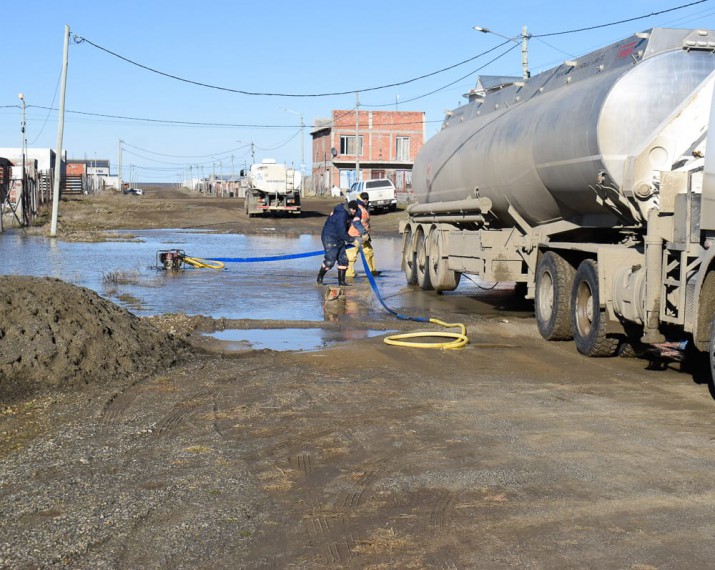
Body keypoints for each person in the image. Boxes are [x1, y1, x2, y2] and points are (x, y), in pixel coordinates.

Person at [316, 200, 362, 286]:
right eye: (354, 210)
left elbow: (355, 219)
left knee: (343, 260)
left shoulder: (348, 213)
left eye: (356, 210)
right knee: (330, 261)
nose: (354, 212)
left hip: (340, 239)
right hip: (330, 238)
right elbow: (342, 232)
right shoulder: (341, 215)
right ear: (350, 208)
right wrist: (353, 240)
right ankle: (319, 279)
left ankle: (341, 282)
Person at [346, 191, 377, 278]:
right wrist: (363, 233)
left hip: (364, 236)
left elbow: (365, 222)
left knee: (369, 252)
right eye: (364, 198)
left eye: (367, 198)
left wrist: (367, 234)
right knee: (351, 257)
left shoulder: (365, 208)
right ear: (360, 199)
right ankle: (349, 276)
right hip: (354, 236)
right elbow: (356, 223)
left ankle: (372, 272)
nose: (366, 200)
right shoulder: (358, 208)